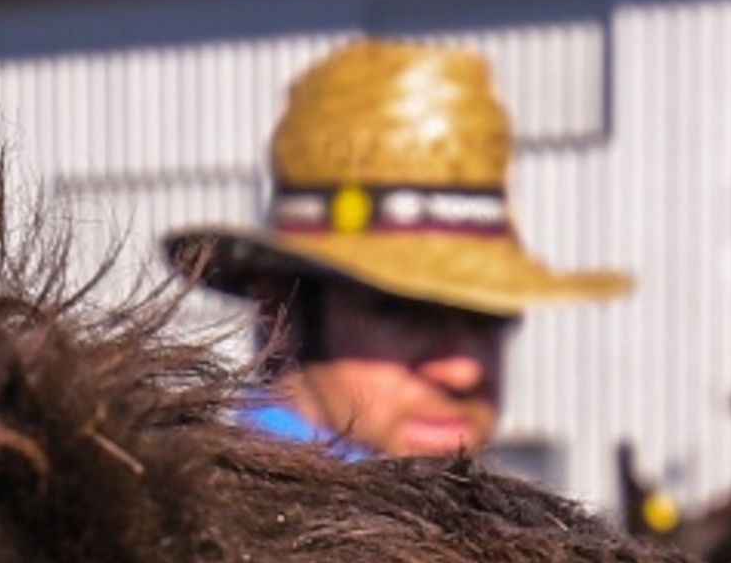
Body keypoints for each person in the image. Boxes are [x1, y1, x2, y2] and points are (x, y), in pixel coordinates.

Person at [167, 38, 626, 466]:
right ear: (278, 310)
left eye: (490, 317)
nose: (463, 371)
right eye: (406, 311)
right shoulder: (201, 543)